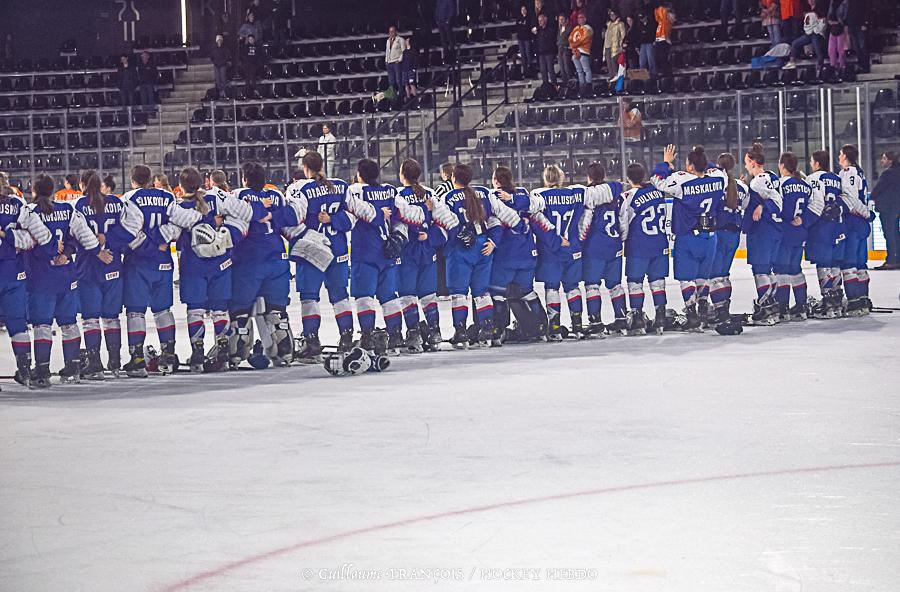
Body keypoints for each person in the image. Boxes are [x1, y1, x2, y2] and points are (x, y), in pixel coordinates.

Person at [168, 167, 250, 373]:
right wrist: (228, 234)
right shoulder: (216, 197)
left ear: (180, 186)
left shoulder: (178, 207)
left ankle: (198, 353)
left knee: (195, 310)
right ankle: (223, 351)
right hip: (220, 264)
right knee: (220, 309)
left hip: (193, 266)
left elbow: (172, 233)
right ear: (202, 183)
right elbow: (246, 214)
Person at [342, 159, 425, 355]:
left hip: (365, 252)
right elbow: (414, 215)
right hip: (387, 252)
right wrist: (400, 234)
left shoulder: (355, 191)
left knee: (364, 297)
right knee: (389, 297)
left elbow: (349, 210)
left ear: (359, 174)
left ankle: (368, 337)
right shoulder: (389, 191)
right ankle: (395, 337)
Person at [434, 163, 521, 348]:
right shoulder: (484, 192)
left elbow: (443, 222)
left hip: (460, 248)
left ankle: (461, 332)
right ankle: (487, 329)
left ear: (453, 178)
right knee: (481, 292)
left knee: (459, 292)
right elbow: (505, 217)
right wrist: (494, 241)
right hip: (483, 246)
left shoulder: (447, 197)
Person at [26, 175, 102, 386]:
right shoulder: (68, 210)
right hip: (66, 275)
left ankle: (42, 371)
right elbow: (80, 238)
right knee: (69, 323)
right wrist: (67, 253)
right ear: (53, 191)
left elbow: (27, 243)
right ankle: (73, 367)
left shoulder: (30, 212)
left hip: (42, 276)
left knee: (42, 324)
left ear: (34, 191)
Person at [283, 152, 354, 361]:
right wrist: (334, 220)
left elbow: (294, 218)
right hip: (338, 248)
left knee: (309, 297)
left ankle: (312, 340)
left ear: (305, 168)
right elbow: (352, 217)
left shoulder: (300, 188)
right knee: (340, 295)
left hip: (312, 250)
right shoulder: (341, 186)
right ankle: (347, 337)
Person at [75, 170, 142, 379]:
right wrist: (110, 241)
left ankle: (95, 365)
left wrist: (98, 250)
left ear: (82, 184)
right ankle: (115, 362)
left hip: (88, 266)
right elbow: (133, 227)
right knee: (112, 317)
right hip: (113, 265)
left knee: (91, 319)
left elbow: (77, 235)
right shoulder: (116, 202)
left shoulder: (79, 205)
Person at [652, 145, 726, 330]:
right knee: (703, 277)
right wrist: (702, 156)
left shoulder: (682, 181)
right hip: (710, 237)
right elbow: (716, 169)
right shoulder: (719, 178)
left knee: (686, 278)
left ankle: (692, 315)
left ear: (691, 166)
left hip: (688, 236)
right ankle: (703, 312)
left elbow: (656, 180)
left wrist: (666, 163)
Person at [229, 162, 295, 367]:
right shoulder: (276, 195)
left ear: (245, 179)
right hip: (277, 258)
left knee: (241, 311)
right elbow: (290, 216)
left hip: (248, 259)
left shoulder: (239, 195)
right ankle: (284, 351)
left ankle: (237, 352)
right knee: (277, 311)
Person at [120, 165, 180, 376]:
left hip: (138, 263)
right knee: (163, 310)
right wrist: (161, 241)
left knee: (136, 311)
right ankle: (169, 355)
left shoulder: (129, 198)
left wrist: (149, 246)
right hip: (163, 261)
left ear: (132, 180)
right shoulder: (168, 196)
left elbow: (129, 233)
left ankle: (137, 359)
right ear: (150, 180)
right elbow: (178, 225)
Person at [0, 174, 53, 387]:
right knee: (18, 324)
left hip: (12, 272)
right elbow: (41, 237)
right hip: (14, 273)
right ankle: (25, 371)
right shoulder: (18, 205)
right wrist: (12, 238)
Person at [488, 166, 548, 344]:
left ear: (496, 181)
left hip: (506, 255)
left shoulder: (493, 197)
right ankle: (541, 328)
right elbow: (539, 203)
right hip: (528, 254)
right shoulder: (522, 193)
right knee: (527, 291)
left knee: (497, 293)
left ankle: (497, 332)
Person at [396, 159, 445, 353]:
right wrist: (431, 236)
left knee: (407, 294)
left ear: (402, 175)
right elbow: (444, 221)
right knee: (428, 294)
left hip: (408, 250)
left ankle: (414, 334)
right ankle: (434, 333)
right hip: (427, 250)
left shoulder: (398, 195)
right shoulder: (430, 193)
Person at [533, 165, 585, 339]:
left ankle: (554, 328)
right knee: (573, 288)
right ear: (561, 178)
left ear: (545, 178)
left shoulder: (539, 196)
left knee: (552, 288)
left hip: (550, 251)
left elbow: (536, 222)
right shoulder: (575, 194)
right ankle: (578, 326)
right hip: (571, 249)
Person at [619, 162, 669, 334]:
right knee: (658, 282)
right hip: (660, 244)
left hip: (638, 246)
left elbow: (624, 222)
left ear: (628, 178)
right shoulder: (658, 191)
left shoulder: (628, 196)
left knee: (635, 283)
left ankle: (638, 319)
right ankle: (661, 318)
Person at [578, 162, 627, 335]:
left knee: (592, 286)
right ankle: (621, 320)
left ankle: (596, 322)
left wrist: (580, 242)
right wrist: (621, 240)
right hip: (614, 245)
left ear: (589, 177)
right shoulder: (618, 196)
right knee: (615, 285)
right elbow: (623, 221)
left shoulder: (589, 197)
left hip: (594, 247)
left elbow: (585, 223)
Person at [772, 152, 819, 321]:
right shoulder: (805, 185)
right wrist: (803, 219)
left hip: (785, 231)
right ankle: (801, 306)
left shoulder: (780, 184)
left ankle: (783, 308)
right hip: (800, 233)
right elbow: (814, 206)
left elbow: (778, 207)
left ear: (782, 165)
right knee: (795, 269)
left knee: (781, 270)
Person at [742, 143, 784, 325]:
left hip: (763, 230)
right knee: (767, 269)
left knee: (760, 270)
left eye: (746, 162)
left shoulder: (756, 182)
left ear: (753, 162)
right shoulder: (773, 176)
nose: (745, 166)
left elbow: (773, 201)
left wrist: (761, 206)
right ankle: (773, 308)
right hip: (775, 229)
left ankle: (766, 310)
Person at [805, 150, 848, 316]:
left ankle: (828, 304)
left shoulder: (813, 178)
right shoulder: (837, 178)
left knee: (823, 264)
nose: (810, 164)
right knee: (835, 263)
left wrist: (805, 223)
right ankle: (837, 302)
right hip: (838, 226)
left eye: (811, 161)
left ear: (817, 163)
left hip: (821, 227)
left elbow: (815, 204)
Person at [707, 153, 746, 326]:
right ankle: (724, 308)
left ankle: (720, 311)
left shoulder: (716, 184)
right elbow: (745, 205)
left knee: (715, 276)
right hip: (734, 235)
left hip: (719, 233)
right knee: (724, 274)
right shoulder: (742, 186)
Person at [837, 144, 873, 314]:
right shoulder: (859, 171)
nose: (839, 157)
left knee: (849, 263)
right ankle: (863, 299)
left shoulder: (848, 172)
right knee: (860, 263)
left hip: (853, 222)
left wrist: (865, 213)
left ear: (845, 156)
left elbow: (850, 199)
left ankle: (854, 301)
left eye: (840, 154)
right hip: (861, 224)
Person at [871, 151, 900, 270]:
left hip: (887, 208)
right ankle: (897, 259)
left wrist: (872, 197)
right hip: (896, 207)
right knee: (895, 234)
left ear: (890, 161)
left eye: (884, 158)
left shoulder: (888, 173)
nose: (882, 161)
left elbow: (877, 190)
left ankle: (891, 260)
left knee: (889, 234)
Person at [783, 0, 826, 71]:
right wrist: (807, 31)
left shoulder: (819, 9)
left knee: (818, 50)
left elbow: (823, 22)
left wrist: (817, 31)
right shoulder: (807, 9)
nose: (811, 1)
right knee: (795, 43)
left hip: (815, 34)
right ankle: (791, 62)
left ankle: (820, 66)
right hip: (808, 34)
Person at [569, 11, 594, 92]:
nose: (579, 19)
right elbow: (570, 38)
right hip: (575, 52)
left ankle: (588, 85)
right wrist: (573, 46)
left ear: (585, 19)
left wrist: (574, 44)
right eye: (578, 18)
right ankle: (581, 86)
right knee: (579, 70)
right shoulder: (576, 28)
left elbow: (584, 39)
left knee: (586, 69)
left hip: (584, 52)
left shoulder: (588, 28)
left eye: (581, 18)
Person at [843, 0, 869, 73]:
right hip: (851, 26)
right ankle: (861, 66)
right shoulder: (848, 2)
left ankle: (866, 66)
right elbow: (848, 11)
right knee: (856, 47)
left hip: (860, 25)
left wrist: (865, 23)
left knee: (862, 46)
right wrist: (846, 23)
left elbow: (866, 10)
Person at [535, 13, 558, 86]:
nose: (540, 22)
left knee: (550, 69)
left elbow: (552, 41)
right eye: (539, 21)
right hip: (541, 53)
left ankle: (554, 85)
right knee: (543, 70)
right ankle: (546, 86)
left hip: (549, 53)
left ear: (545, 20)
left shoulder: (550, 29)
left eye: (541, 20)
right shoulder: (538, 30)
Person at [603, 9, 626, 81]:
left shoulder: (620, 24)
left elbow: (623, 36)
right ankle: (612, 77)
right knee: (609, 64)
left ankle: (617, 79)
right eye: (611, 15)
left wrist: (621, 45)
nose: (612, 16)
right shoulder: (609, 24)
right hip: (607, 46)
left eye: (613, 14)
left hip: (615, 47)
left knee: (614, 63)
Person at [826, 0, 849, 72]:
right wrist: (830, 21)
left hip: (841, 28)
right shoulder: (832, 2)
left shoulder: (845, 2)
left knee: (841, 50)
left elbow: (845, 16)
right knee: (831, 49)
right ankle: (833, 66)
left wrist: (839, 22)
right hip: (833, 28)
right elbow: (829, 14)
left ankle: (842, 67)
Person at [654, 2, 675, 78]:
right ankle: (664, 73)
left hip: (664, 40)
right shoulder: (661, 21)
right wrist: (656, 9)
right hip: (659, 40)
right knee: (659, 59)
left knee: (663, 59)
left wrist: (660, 8)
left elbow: (662, 14)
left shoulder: (667, 20)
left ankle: (668, 75)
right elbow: (657, 17)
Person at [637, 9, 657, 77]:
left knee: (651, 60)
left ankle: (653, 76)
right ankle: (643, 77)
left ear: (645, 17)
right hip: (643, 44)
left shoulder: (652, 23)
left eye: (642, 18)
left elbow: (653, 33)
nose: (641, 20)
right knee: (642, 62)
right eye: (640, 18)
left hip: (650, 43)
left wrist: (654, 41)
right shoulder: (639, 24)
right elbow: (639, 34)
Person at [516, 4, 536, 73]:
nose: (523, 11)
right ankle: (525, 68)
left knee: (528, 52)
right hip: (520, 38)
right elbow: (517, 27)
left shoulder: (529, 18)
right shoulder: (519, 18)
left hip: (527, 38)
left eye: (524, 9)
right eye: (522, 10)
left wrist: (524, 28)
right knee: (522, 53)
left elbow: (529, 28)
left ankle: (530, 67)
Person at [385, 26, 405, 95]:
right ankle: (393, 96)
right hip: (389, 63)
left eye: (392, 31)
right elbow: (387, 51)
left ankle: (401, 95)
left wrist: (399, 60)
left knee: (398, 80)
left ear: (396, 31)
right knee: (391, 82)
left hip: (397, 62)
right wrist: (386, 61)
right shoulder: (388, 40)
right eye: (390, 31)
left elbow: (404, 51)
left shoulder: (400, 40)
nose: (391, 33)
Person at [556, 14, 575, 85]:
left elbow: (570, 39)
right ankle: (565, 83)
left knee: (567, 66)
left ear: (566, 20)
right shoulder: (559, 28)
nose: (561, 21)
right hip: (560, 48)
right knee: (562, 67)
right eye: (559, 19)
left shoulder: (569, 28)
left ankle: (570, 83)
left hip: (566, 48)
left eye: (562, 19)